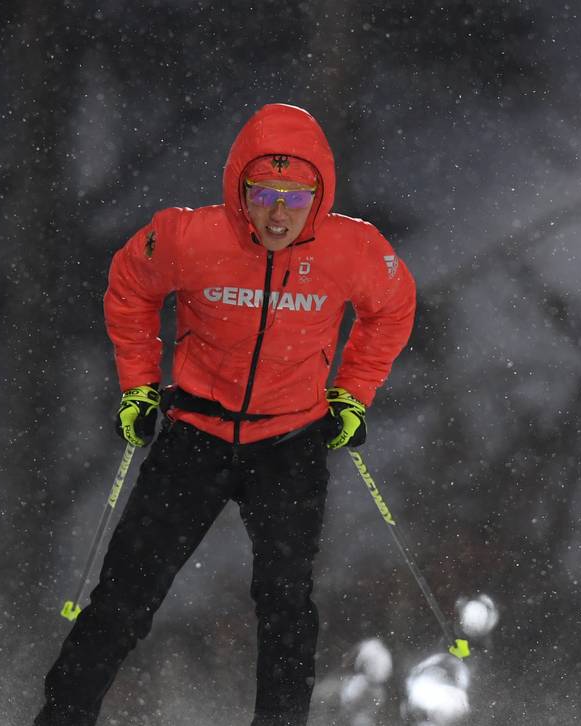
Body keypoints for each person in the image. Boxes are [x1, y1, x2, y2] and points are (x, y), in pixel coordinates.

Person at [35, 102, 416, 726]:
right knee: (126, 595)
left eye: (295, 198)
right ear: (239, 188)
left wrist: (351, 394)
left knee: (285, 602)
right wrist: (139, 386)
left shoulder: (352, 249)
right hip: (195, 436)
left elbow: (394, 306)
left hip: (289, 444)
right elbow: (130, 284)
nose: (276, 212)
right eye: (263, 192)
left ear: (319, 196)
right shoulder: (192, 237)